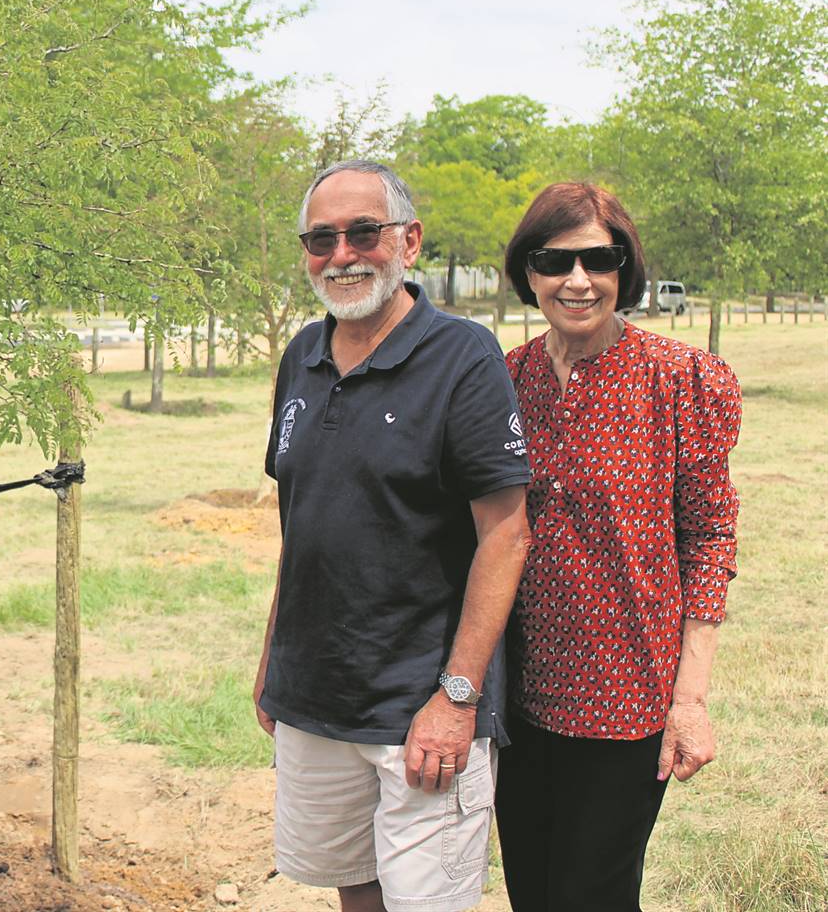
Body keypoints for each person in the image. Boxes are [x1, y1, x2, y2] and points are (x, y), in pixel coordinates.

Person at [254, 160, 531, 912]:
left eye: (363, 232)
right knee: (355, 886)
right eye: (321, 239)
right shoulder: (301, 356)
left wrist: (458, 695)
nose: (341, 254)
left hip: (421, 705)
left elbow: (507, 535)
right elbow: (300, 522)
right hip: (316, 694)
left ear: (409, 241)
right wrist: (274, 660)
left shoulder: (462, 357)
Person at [495, 183, 741, 912]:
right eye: (555, 261)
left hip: (627, 699)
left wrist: (689, 700)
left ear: (624, 268)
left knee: (591, 896)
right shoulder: (505, 380)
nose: (577, 280)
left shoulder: (681, 380)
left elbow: (709, 538)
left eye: (598, 260)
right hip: (518, 700)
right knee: (532, 893)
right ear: (529, 271)